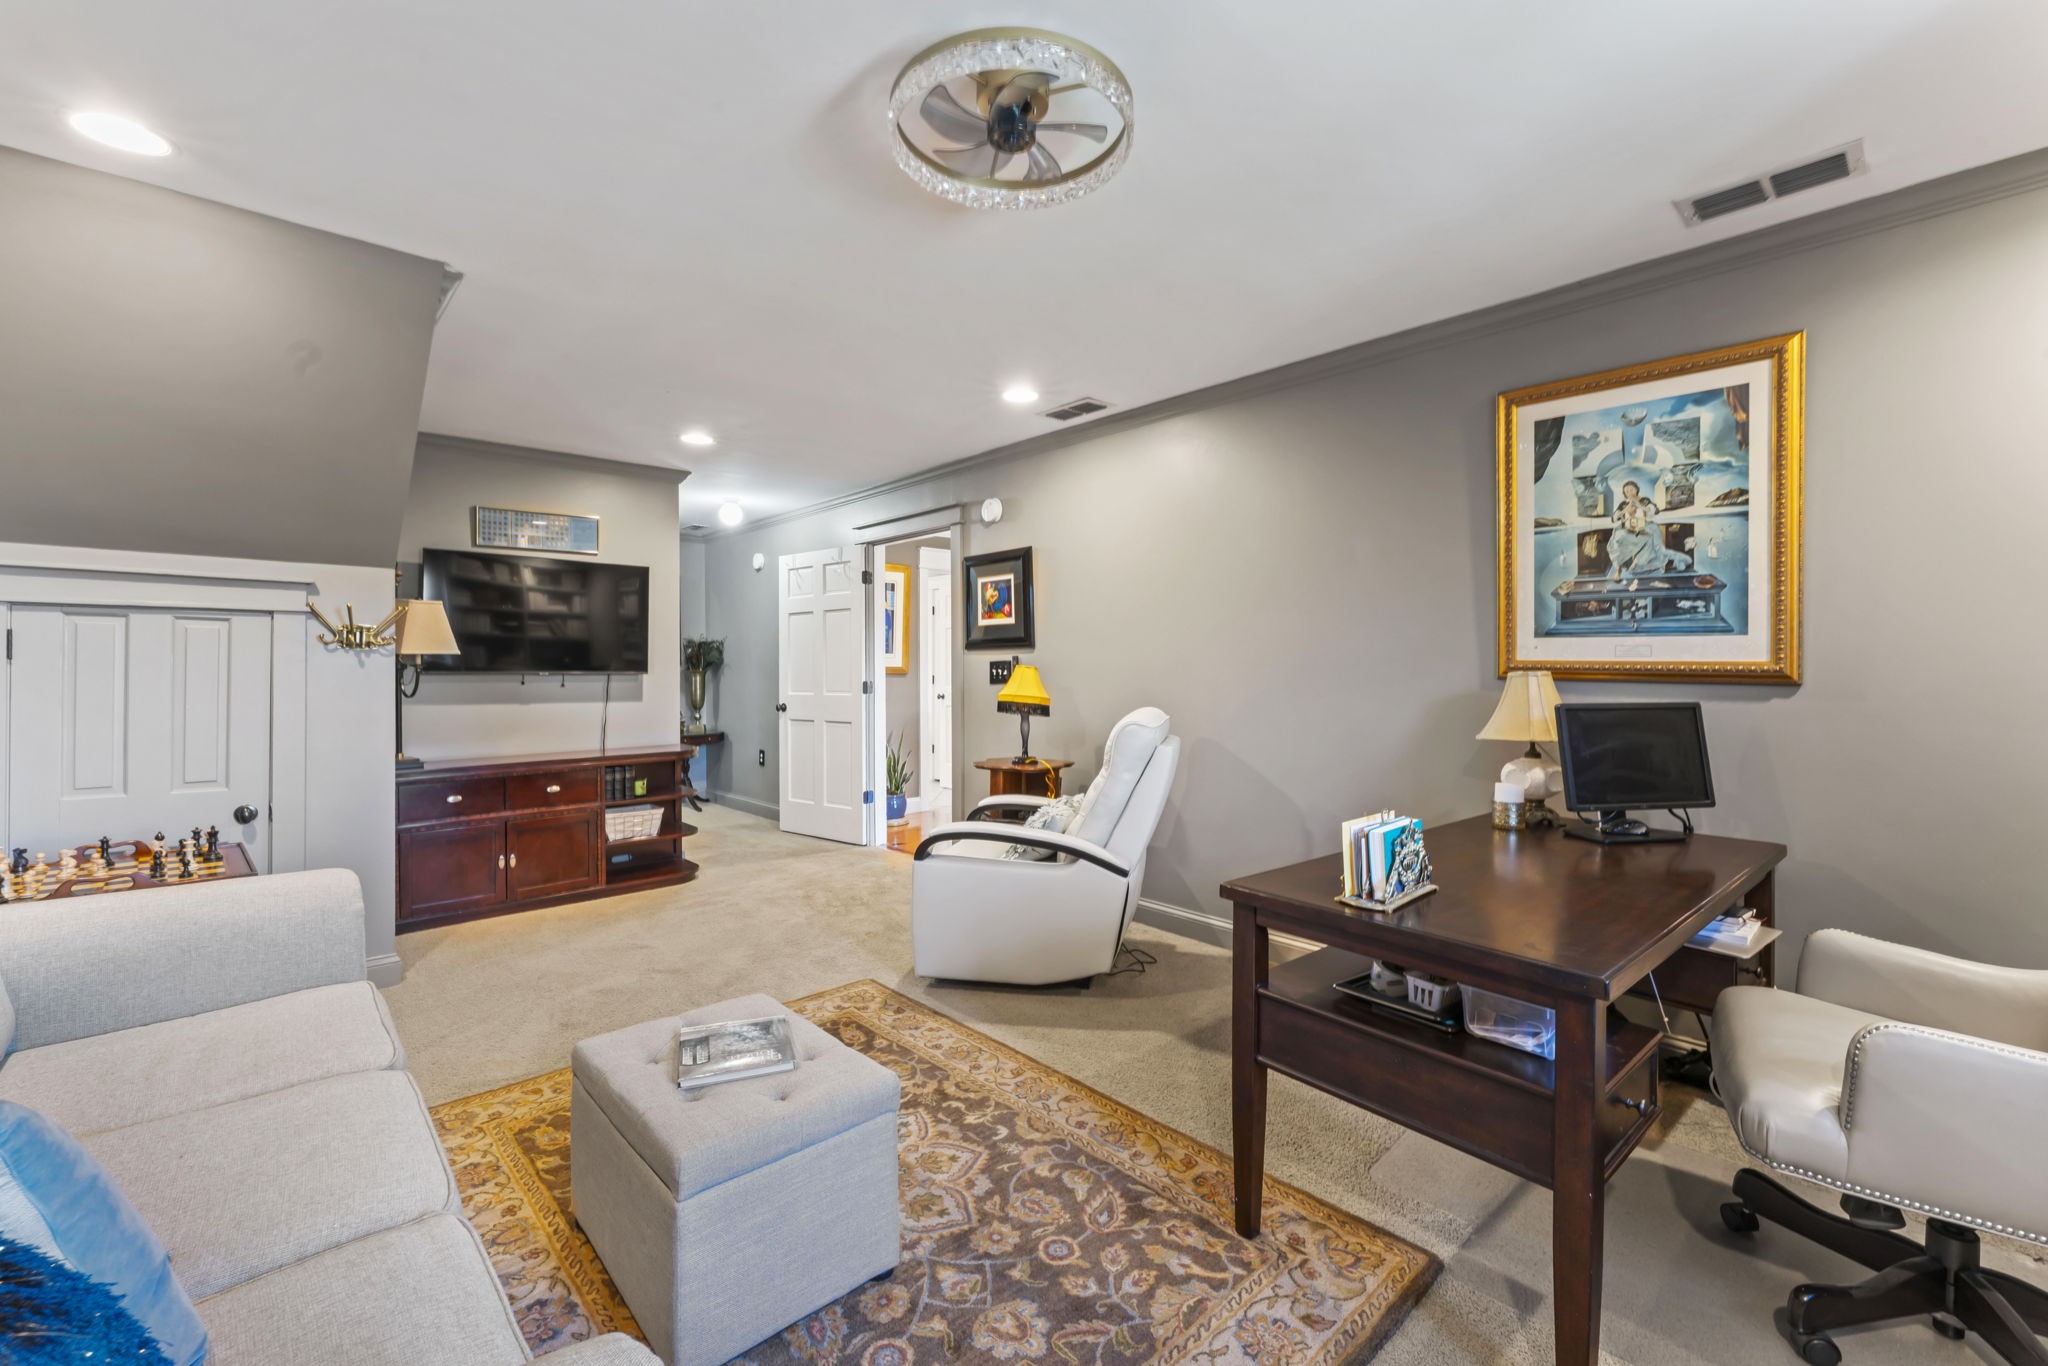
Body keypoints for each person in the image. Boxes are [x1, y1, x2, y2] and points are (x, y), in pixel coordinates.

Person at [1605, 480, 1690, 577]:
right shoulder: (1623, 504)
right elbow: (1614, 518)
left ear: (1636, 490)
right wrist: (1627, 508)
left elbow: (1654, 511)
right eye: (1627, 491)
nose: (1630, 493)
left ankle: (1665, 562)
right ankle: (1622, 566)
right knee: (1619, 538)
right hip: (1629, 528)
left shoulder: (1644, 500)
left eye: (1631, 490)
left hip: (1644, 525)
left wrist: (1639, 505)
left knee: (1653, 542)